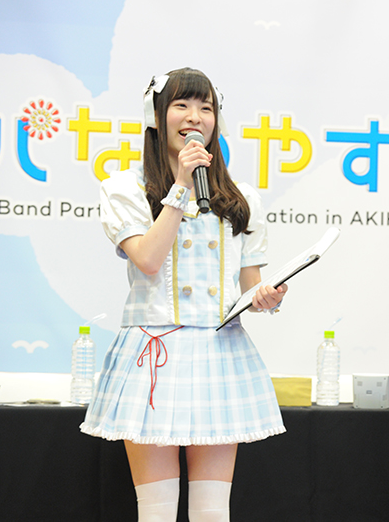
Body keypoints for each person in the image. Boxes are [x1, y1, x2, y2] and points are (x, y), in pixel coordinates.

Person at [80, 67, 287, 522]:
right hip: (153, 353)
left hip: (219, 351)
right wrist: (180, 186)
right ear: (156, 117)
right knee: (155, 512)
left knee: (212, 511)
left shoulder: (241, 198)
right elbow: (148, 260)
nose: (195, 117)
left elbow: (249, 284)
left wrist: (266, 296)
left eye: (206, 108)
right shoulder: (125, 188)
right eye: (182, 105)